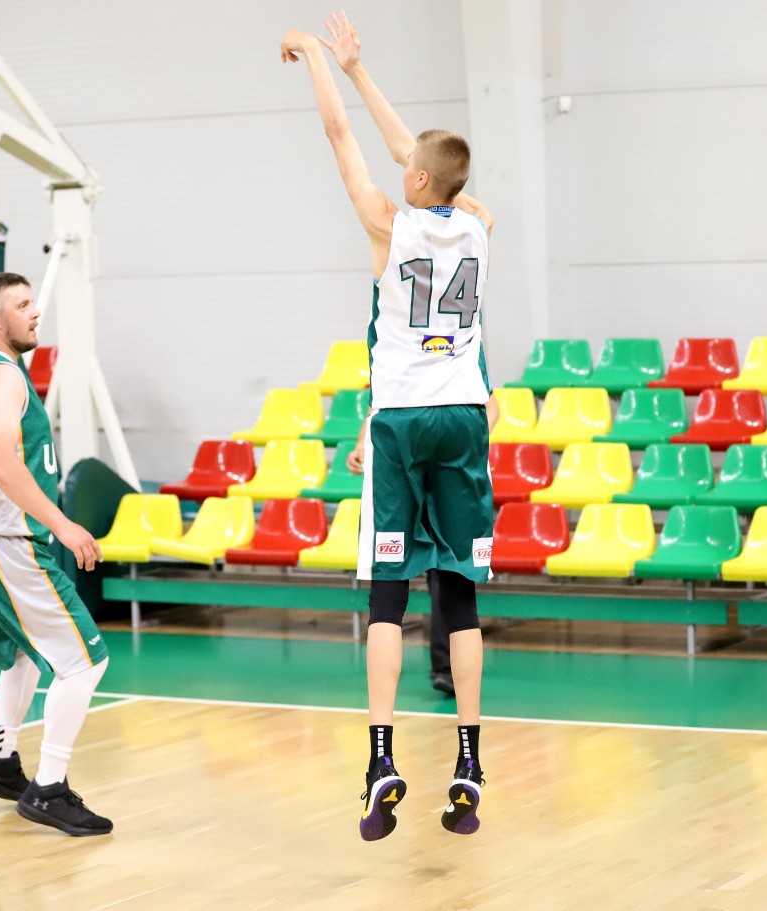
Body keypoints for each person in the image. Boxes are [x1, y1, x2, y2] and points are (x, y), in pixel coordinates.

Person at [282, 11, 495, 841]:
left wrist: (318, 59)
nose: (401, 166)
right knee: (460, 596)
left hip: (401, 419)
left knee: (386, 596)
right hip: (465, 414)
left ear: (417, 181)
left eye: (410, 167)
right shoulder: (478, 222)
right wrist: (362, 69)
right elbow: (428, 161)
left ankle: (381, 758)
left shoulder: (387, 223)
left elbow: (342, 137)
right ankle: (469, 758)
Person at [0, 272, 112, 837]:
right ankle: (49, 789)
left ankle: (1, 762)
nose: (36, 312)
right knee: (84, 662)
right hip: (0, 541)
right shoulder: (1, 376)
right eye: (23, 304)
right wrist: (63, 525)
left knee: (19, 654)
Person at [348, 387, 499, 698]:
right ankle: (442, 671)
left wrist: (467, 441)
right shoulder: (396, 371)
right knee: (396, 586)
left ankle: (446, 668)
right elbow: (377, 409)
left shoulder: (458, 369)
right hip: (407, 471)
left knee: (448, 579)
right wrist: (361, 445)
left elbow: (491, 407)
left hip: (447, 469)